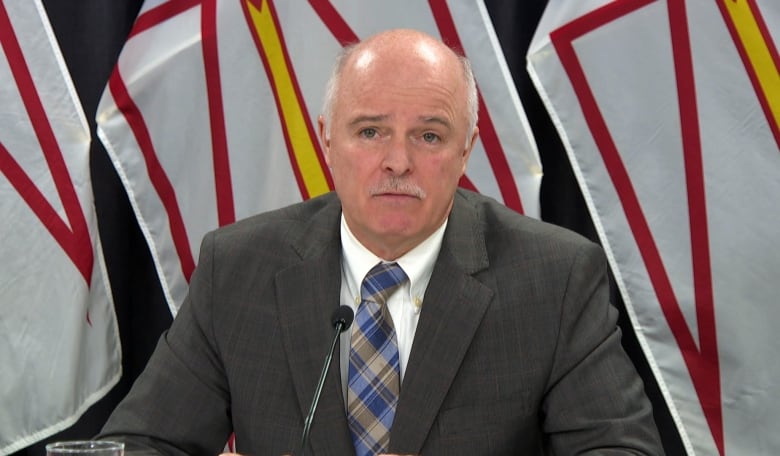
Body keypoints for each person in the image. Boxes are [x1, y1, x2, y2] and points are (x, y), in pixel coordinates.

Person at [98, 28, 662, 455]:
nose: (398, 161)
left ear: (466, 148)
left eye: (429, 135)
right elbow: (137, 445)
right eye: (370, 131)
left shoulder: (555, 277)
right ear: (326, 139)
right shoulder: (239, 268)